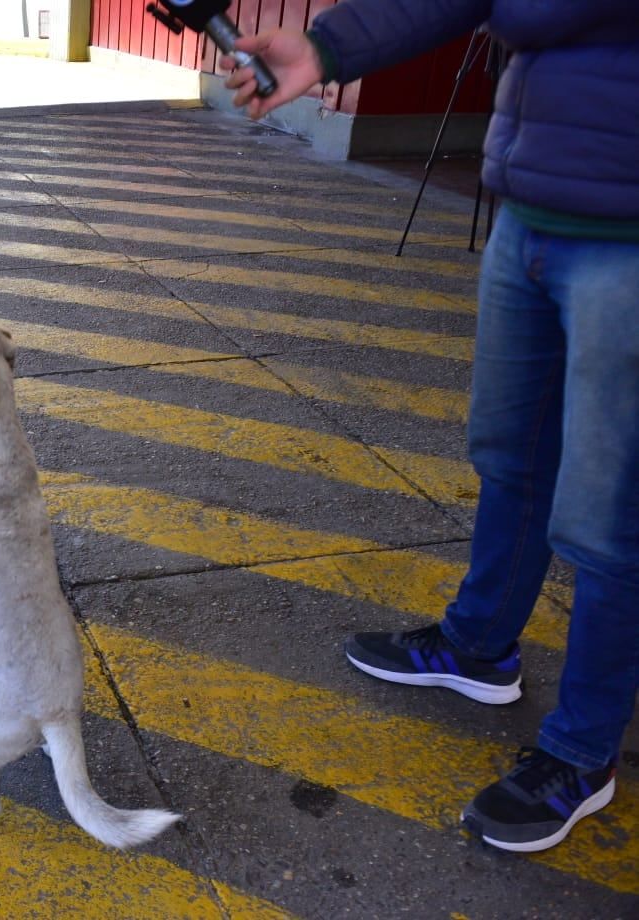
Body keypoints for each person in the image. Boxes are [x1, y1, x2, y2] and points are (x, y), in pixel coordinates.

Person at [224, 0, 638, 853]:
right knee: (510, 455)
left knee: (606, 518)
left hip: (626, 237)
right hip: (531, 206)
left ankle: (582, 751)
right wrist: (328, 45)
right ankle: (480, 646)